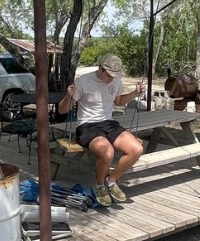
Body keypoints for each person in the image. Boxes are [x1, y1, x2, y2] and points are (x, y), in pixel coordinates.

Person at [57, 53, 145, 207]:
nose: (112, 78)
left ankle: (111, 181)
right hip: (87, 126)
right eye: (110, 75)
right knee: (107, 152)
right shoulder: (83, 82)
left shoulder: (116, 80)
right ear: (101, 68)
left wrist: (135, 93)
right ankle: (99, 185)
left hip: (108, 123)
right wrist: (67, 96)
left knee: (136, 149)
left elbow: (118, 101)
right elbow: (63, 110)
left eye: (115, 75)